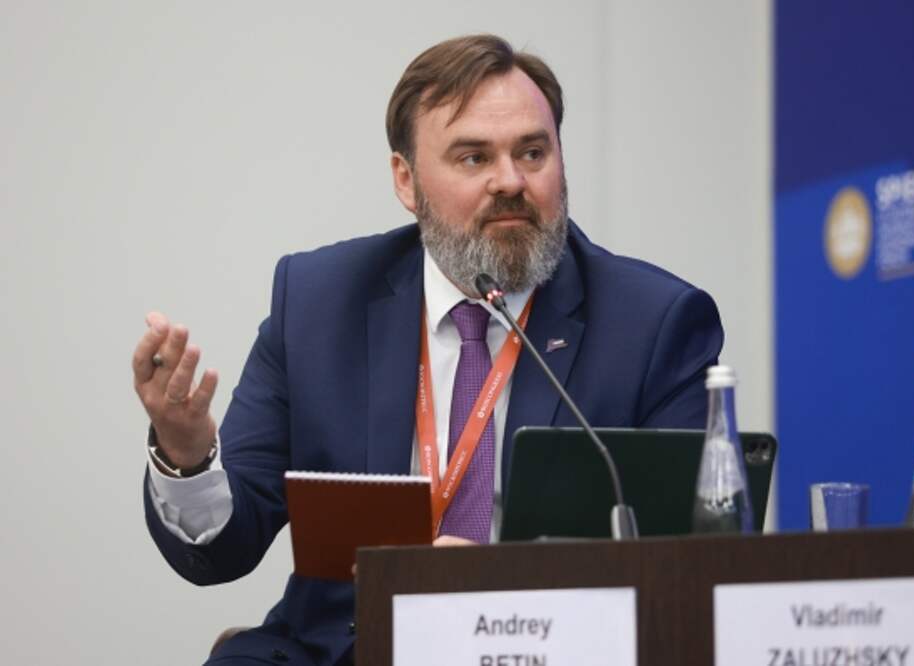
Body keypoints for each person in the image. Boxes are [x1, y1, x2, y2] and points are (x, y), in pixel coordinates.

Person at [132, 34, 724, 665]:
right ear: (406, 180)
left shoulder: (653, 324)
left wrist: (505, 588)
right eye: (474, 157)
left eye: (533, 152)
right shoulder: (318, 303)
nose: (510, 181)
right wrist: (187, 457)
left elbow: (687, 572)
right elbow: (224, 550)